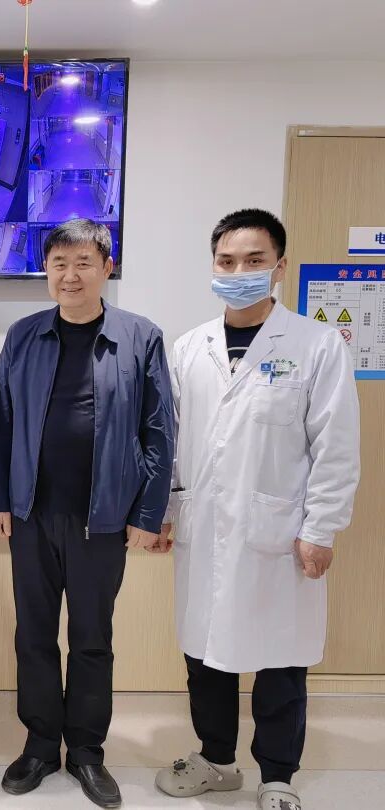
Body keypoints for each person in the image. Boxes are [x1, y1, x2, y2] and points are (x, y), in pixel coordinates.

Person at [154, 210, 361, 810]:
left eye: (253, 260)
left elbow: (335, 447)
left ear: (280, 267)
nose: (239, 271)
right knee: (204, 654)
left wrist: (322, 528)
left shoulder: (316, 345)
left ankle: (277, 777)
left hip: (280, 533)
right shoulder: (190, 348)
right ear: (213, 266)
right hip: (202, 527)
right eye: (227, 261)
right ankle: (217, 760)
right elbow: (170, 440)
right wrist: (164, 510)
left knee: (280, 660)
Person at [0, 218, 174, 808]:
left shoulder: (140, 337)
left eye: (84, 262)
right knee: (34, 635)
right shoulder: (23, 336)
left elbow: (158, 431)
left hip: (104, 519)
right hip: (31, 515)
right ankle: (42, 744)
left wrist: (148, 513)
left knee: (92, 638)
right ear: (46, 271)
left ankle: (87, 751)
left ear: (106, 268)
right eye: (59, 264)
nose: (70, 275)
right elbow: (2, 423)